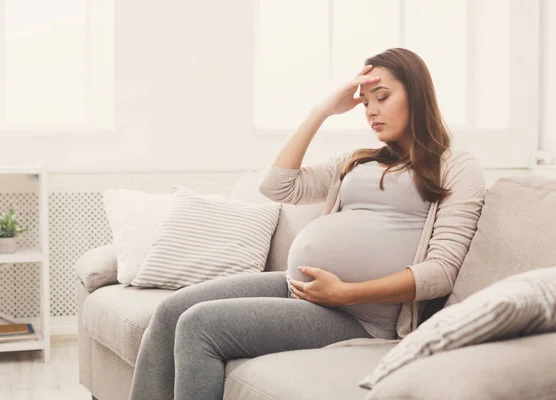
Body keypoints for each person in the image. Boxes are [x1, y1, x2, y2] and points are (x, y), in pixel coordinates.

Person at [129, 47, 487, 400]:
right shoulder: (357, 160)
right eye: (364, 103)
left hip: (357, 316)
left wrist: (345, 293)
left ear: (418, 95)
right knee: (170, 312)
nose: (371, 111)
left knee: (199, 326)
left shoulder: (455, 165)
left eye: (382, 97)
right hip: (298, 289)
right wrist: (323, 111)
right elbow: (276, 185)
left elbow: (440, 271)